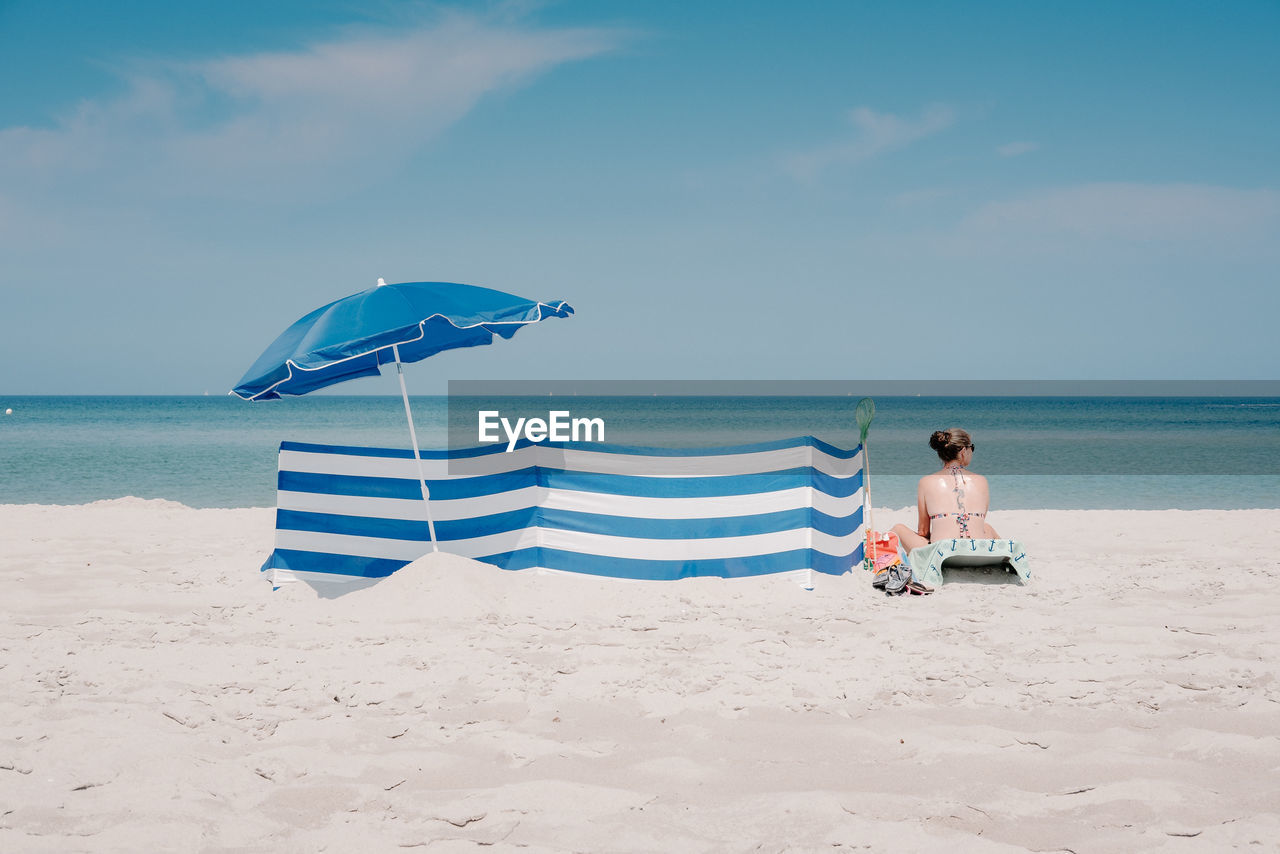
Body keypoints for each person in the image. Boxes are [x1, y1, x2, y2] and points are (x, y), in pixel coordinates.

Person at [891, 428, 1000, 552]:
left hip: (943, 555)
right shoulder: (982, 481)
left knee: (898, 528)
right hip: (977, 552)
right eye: (972, 448)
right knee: (986, 528)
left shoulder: (926, 482)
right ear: (964, 451)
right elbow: (977, 522)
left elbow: (923, 531)